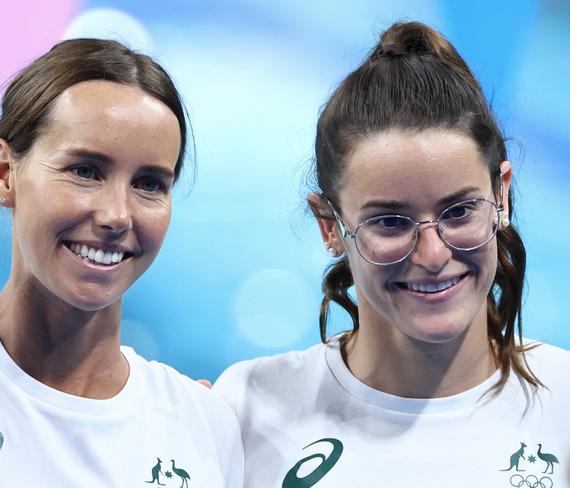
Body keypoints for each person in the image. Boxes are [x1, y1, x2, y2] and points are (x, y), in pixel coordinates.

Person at [214, 21, 569, 487]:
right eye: (389, 222)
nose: (433, 253)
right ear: (330, 225)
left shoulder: (563, 402)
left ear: (500, 197)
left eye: (460, 210)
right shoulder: (248, 410)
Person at [0, 38, 243, 487]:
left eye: (149, 183)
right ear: (4, 172)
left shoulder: (203, 426)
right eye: (85, 171)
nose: (116, 215)